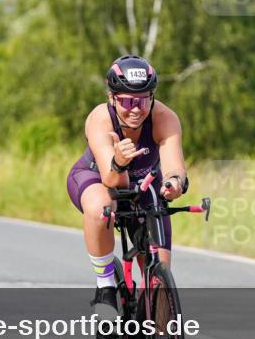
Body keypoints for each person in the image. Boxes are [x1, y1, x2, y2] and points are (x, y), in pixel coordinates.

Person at [66, 55, 189, 325]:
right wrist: (120, 160)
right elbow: (111, 180)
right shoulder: (100, 119)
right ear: (112, 98)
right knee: (101, 209)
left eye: (143, 100)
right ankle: (106, 287)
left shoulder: (164, 118)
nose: (136, 109)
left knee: (160, 270)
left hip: (144, 187)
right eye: (128, 101)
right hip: (96, 179)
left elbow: (174, 167)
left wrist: (174, 184)